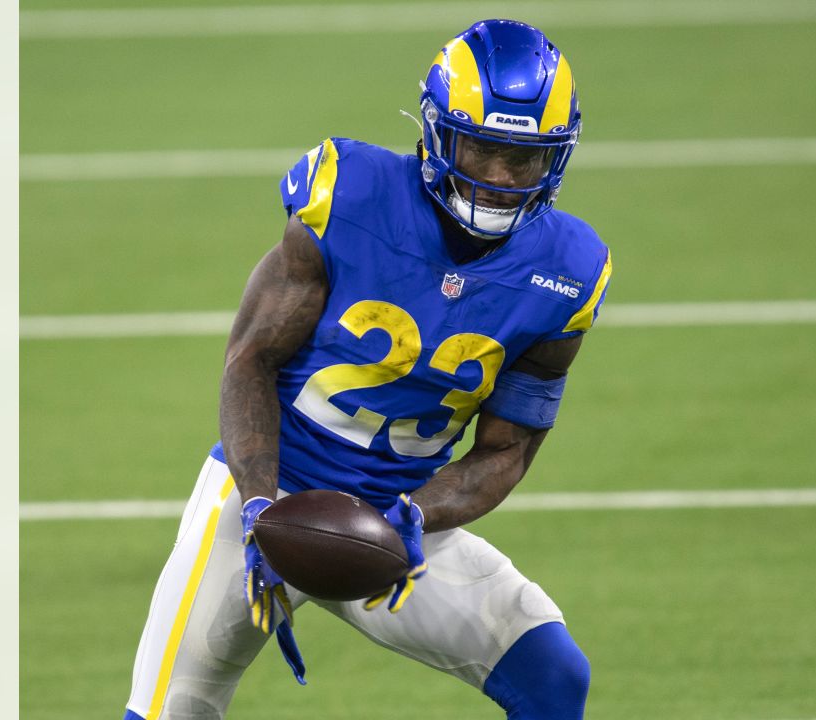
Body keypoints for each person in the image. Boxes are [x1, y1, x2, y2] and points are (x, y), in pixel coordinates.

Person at [122, 18, 612, 720]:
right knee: (172, 710)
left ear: (555, 160)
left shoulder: (568, 270)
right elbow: (251, 360)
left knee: (553, 675)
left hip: (394, 520)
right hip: (262, 495)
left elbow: (508, 449)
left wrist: (414, 516)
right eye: (482, 148)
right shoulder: (350, 196)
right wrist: (262, 507)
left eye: (524, 159)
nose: (501, 179)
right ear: (440, 133)